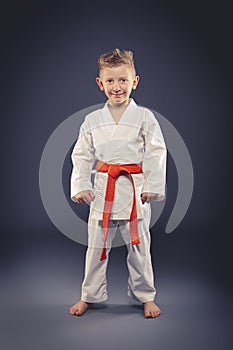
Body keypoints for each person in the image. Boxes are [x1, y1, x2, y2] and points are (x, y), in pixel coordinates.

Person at [69, 48, 167, 318]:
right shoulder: (91, 121)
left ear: (135, 81)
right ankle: (89, 295)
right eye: (110, 81)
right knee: (96, 248)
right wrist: (80, 185)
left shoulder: (145, 117)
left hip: (134, 190)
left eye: (123, 80)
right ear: (100, 84)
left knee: (139, 248)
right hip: (103, 189)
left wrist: (152, 187)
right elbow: (81, 154)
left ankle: (146, 296)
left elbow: (156, 152)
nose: (117, 87)